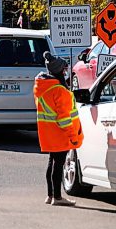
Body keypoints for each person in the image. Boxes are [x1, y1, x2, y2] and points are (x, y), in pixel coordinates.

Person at [34, 51, 84, 206]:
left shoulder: (41, 87)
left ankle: (50, 195)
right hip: (60, 134)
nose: (66, 72)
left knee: (52, 163)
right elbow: (64, 118)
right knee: (58, 165)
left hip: (48, 133)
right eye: (64, 70)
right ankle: (58, 197)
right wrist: (73, 136)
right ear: (60, 71)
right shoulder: (59, 90)